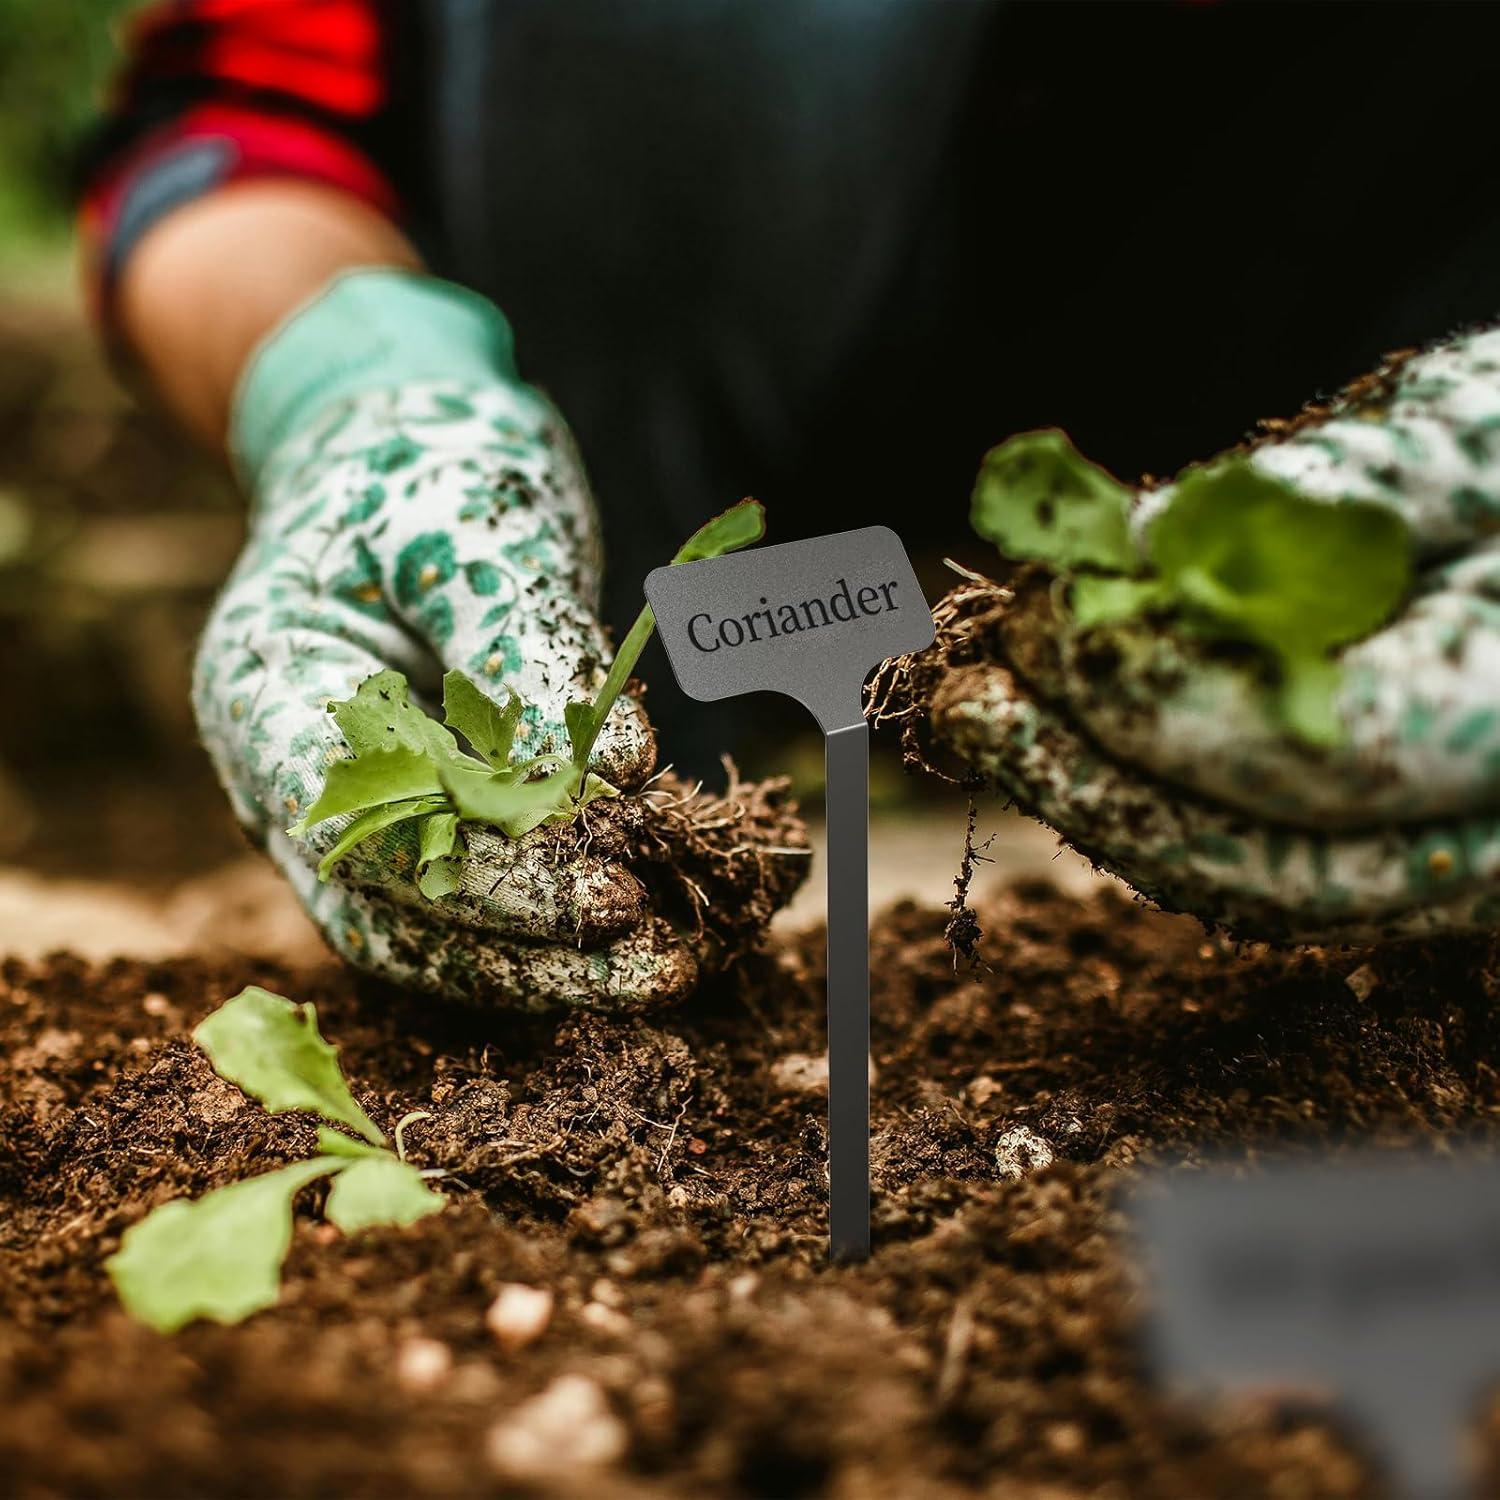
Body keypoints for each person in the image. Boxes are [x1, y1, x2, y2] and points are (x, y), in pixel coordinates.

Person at [80, 0, 1500, 1006]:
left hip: (1331, 372)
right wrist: (355, 391)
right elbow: (226, 129)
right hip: (685, 382)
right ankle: (633, 829)